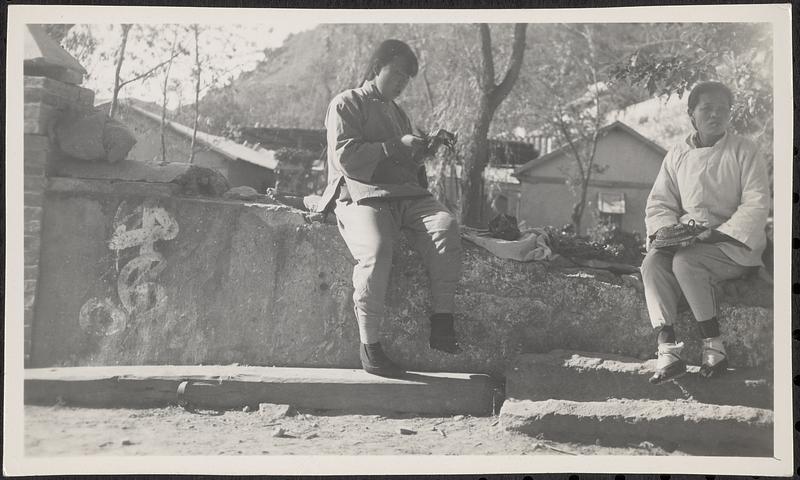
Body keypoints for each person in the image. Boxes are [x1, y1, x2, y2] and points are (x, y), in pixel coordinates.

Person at [316, 39, 463, 378]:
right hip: (360, 193)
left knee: (445, 226)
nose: (401, 84)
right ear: (376, 68)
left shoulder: (398, 113)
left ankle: (442, 321)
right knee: (378, 249)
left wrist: (426, 148)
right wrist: (395, 144)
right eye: (397, 74)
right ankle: (370, 348)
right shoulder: (346, 103)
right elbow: (347, 158)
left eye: (406, 79)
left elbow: (405, 162)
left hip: (404, 194)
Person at [641, 81, 770, 384]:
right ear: (691, 115)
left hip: (733, 244)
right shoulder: (677, 154)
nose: (715, 115)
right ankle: (668, 348)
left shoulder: (745, 150)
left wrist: (717, 234)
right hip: (688, 238)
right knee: (653, 263)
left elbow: (756, 203)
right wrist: (667, 233)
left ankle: (714, 346)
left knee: (686, 262)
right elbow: (660, 202)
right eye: (707, 109)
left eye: (722, 109)